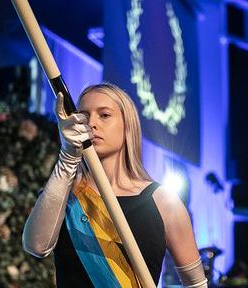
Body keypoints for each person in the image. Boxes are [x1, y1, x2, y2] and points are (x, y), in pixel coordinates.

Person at [22, 83, 207, 287]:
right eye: (84, 115)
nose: (91, 123)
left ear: (127, 124)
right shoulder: (64, 194)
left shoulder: (163, 202)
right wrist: (67, 158)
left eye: (104, 115)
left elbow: (197, 284)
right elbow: (36, 246)